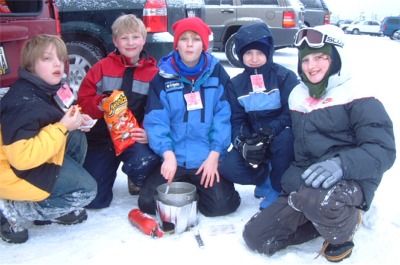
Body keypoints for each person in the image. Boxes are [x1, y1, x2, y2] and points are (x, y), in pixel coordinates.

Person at [242, 25, 396, 262]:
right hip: (312, 181)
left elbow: (383, 150)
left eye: (321, 57)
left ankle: (343, 229)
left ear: (336, 58)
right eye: (306, 60)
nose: (311, 66)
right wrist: (292, 184)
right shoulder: (298, 96)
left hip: (352, 179)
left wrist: (341, 164)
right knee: (257, 237)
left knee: (320, 200)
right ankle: (319, 216)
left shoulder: (359, 93)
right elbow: (302, 155)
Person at [138, 17, 241, 217]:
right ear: (177, 44)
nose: (190, 44)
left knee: (222, 206)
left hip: (206, 159)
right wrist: (167, 155)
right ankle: (187, 186)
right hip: (174, 158)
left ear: (204, 44)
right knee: (148, 203)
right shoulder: (162, 78)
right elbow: (156, 120)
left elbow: (223, 117)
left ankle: (197, 189)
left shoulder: (218, 74)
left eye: (195, 39)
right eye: (184, 39)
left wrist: (215, 154)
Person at [0, 34, 97, 244]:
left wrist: (77, 119)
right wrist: (63, 127)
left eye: (61, 58)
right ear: (30, 64)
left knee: (76, 135)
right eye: (47, 59)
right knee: (86, 190)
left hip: (34, 160)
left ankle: (53, 203)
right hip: (12, 172)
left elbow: (64, 112)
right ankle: (10, 210)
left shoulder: (52, 86)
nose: (57, 64)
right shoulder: (22, 102)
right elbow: (21, 158)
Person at [77, 14, 161, 209]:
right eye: (124, 38)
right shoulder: (101, 68)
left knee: (145, 160)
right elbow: (82, 102)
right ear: (115, 41)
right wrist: (101, 103)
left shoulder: (153, 74)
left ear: (143, 39)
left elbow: (157, 111)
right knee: (95, 201)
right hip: (102, 139)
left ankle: (137, 177)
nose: (130, 43)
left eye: (135, 37)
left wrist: (147, 132)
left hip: (133, 138)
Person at [218, 22, 298, 209]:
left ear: (268, 52)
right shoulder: (236, 84)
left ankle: (278, 189)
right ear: (240, 54)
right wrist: (242, 141)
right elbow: (236, 119)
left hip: (279, 136)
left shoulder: (284, 77)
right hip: (255, 139)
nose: (254, 58)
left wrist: (270, 130)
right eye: (248, 53)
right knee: (228, 166)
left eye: (259, 53)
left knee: (286, 139)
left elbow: (292, 112)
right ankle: (265, 179)